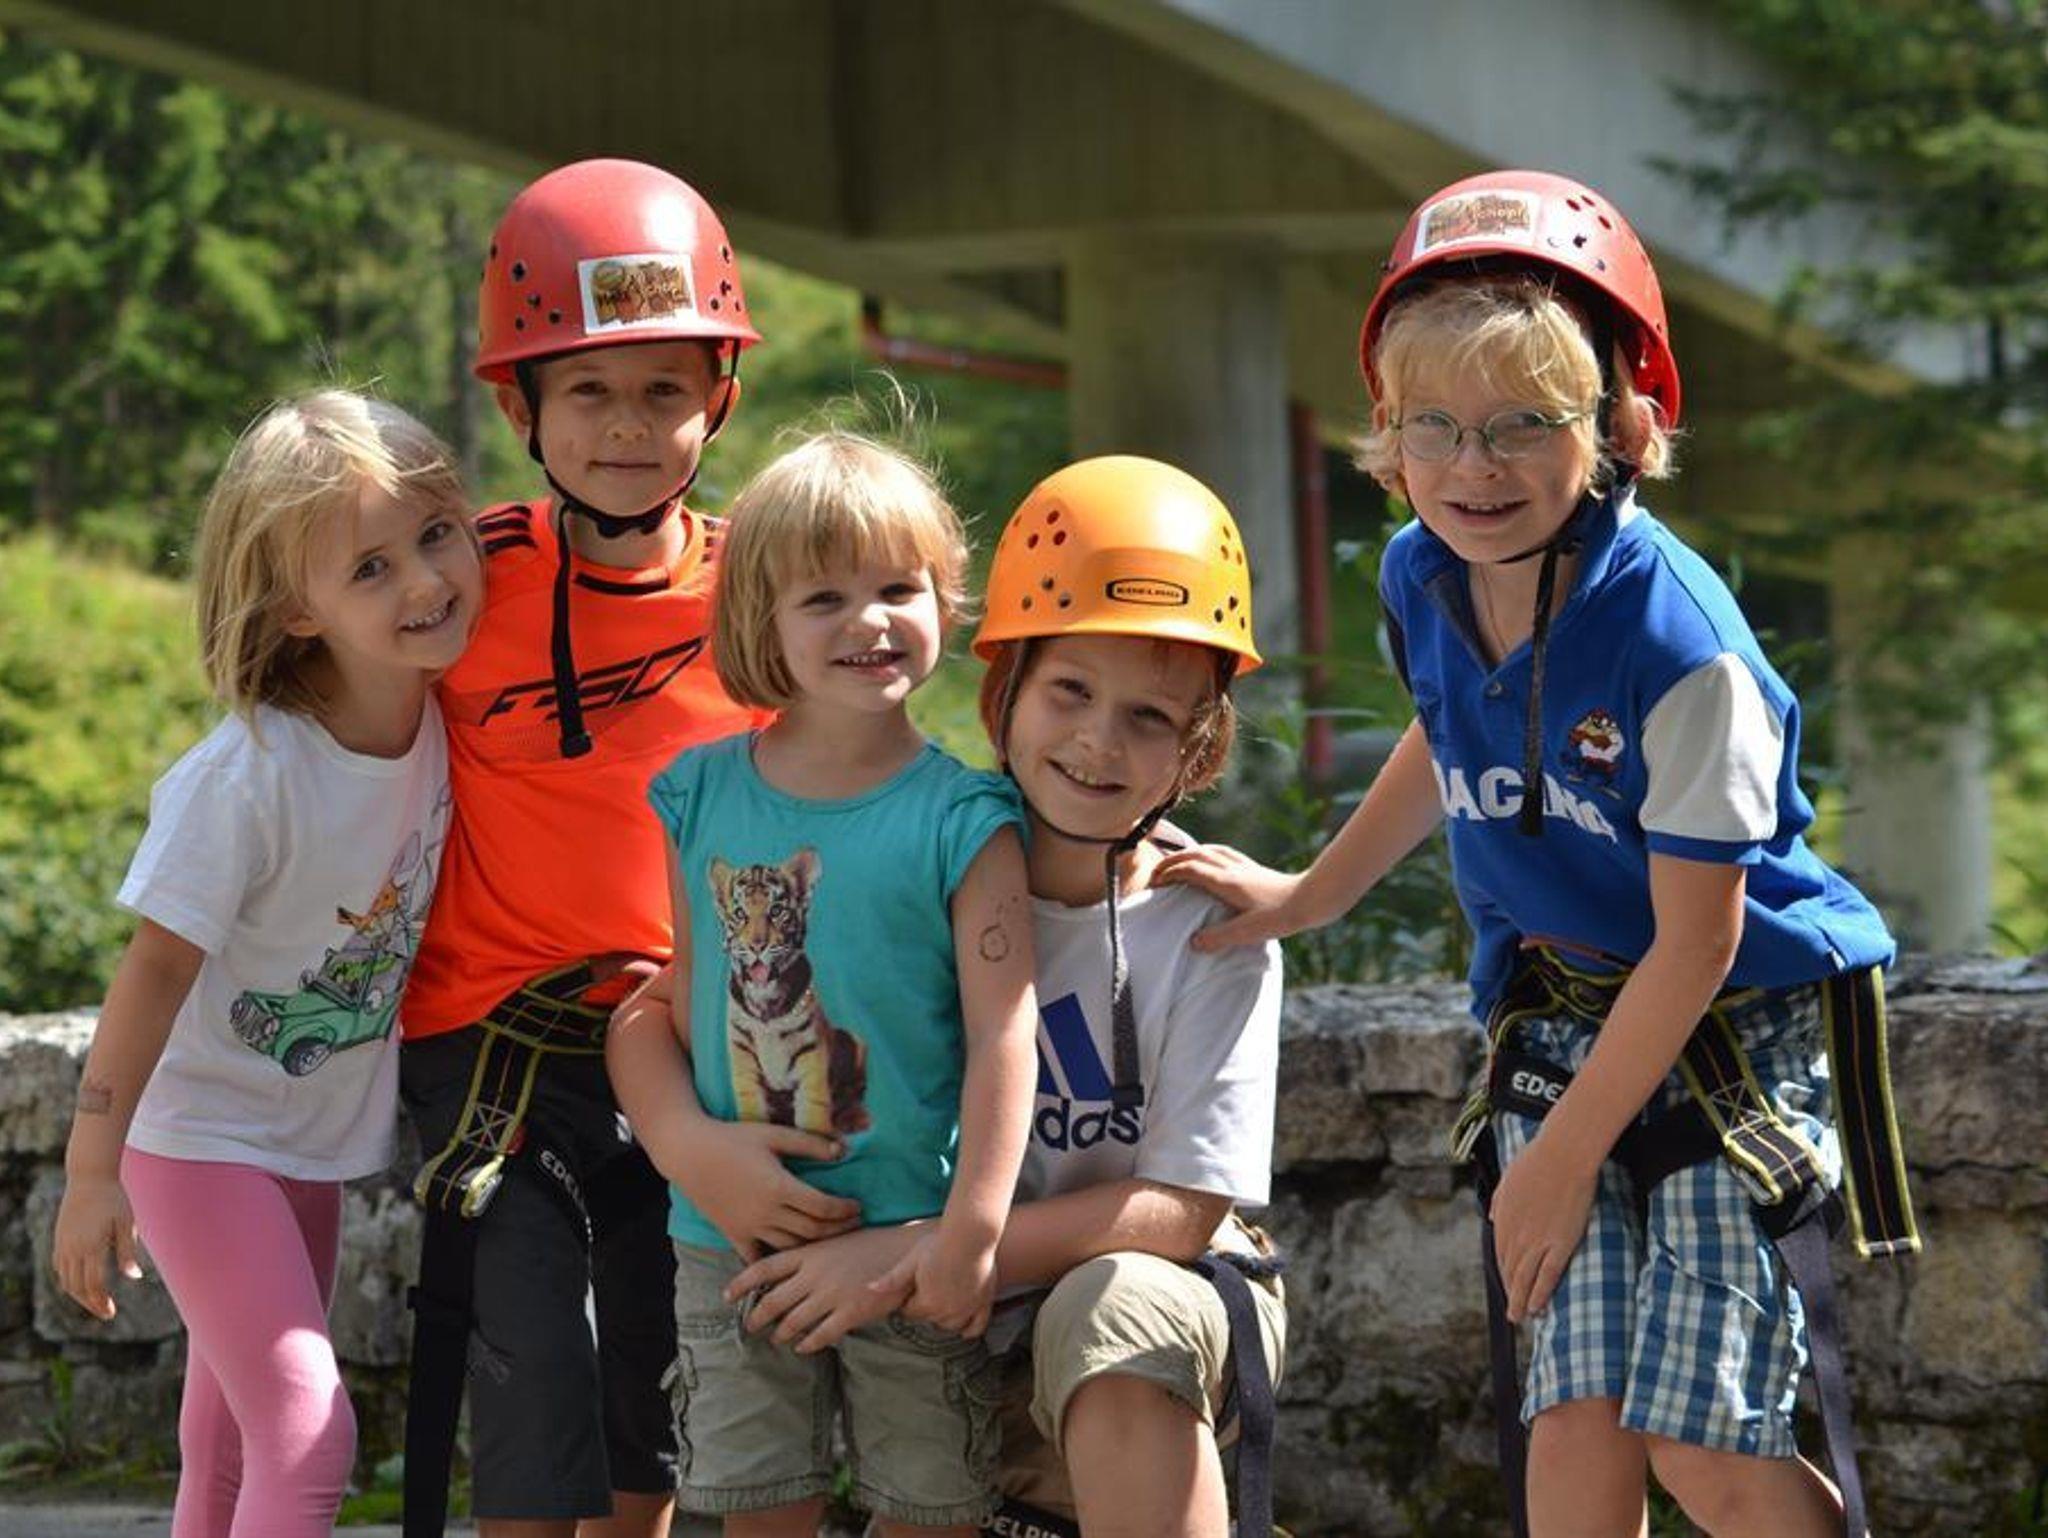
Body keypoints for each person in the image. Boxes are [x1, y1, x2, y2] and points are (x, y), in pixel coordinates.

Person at [1157, 170, 1918, 1538]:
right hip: (1564, 1011)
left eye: (1524, 423)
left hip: (1727, 1023)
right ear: (1387, 435)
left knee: (1702, 1445)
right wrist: (1306, 895)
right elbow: (1451, 730)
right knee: (1572, 1427)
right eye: (1435, 427)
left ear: (1620, 425)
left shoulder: (1679, 648)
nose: (1475, 466)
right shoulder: (1420, 574)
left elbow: (1700, 940)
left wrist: (1560, 1159)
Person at [619, 455, 1286, 1538]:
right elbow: (665, 1006)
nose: (1098, 742)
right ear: (1004, 690)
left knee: (1118, 1312)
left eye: (1150, 717)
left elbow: (1182, 1208)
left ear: (1199, 743)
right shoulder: (906, 844)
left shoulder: (1208, 927)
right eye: (1069, 692)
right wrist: (688, 1145)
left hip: (1047, 1286)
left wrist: (912, 1253)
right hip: (922, 1290)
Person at [396, 158, 771, 1538]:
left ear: (717, 398)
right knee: (533, 1373)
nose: (627, 425)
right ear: (522, 408)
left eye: (664, 387)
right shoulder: (465, 581)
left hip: (682, 1038)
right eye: (590, 389)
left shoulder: (761, 592)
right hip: (496, 1049)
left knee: (647, 1404)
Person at [51, 390, 479, 1538]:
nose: (426, 580)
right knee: (309, 1441)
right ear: (297, 607)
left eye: (437, 533)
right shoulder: (246, 777)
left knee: (234, 1444)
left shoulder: (453, 720)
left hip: (305, 1145)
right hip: (198, 1143)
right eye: (372, 567)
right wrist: (91, 1171)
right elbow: (150, 972)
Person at [607, 430, 1038, 1536]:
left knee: (932, 1513)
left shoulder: (966, 817)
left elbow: (1005, 1035)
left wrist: (970, 1233)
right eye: (824, 598)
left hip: (909, 1236)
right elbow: (680, 1000)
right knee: (762, 1510)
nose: (869, 621)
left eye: (898, 588)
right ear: (762, 621)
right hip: (731, 1239)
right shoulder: (697, 796)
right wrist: (695, 1156)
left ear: (944, 598)